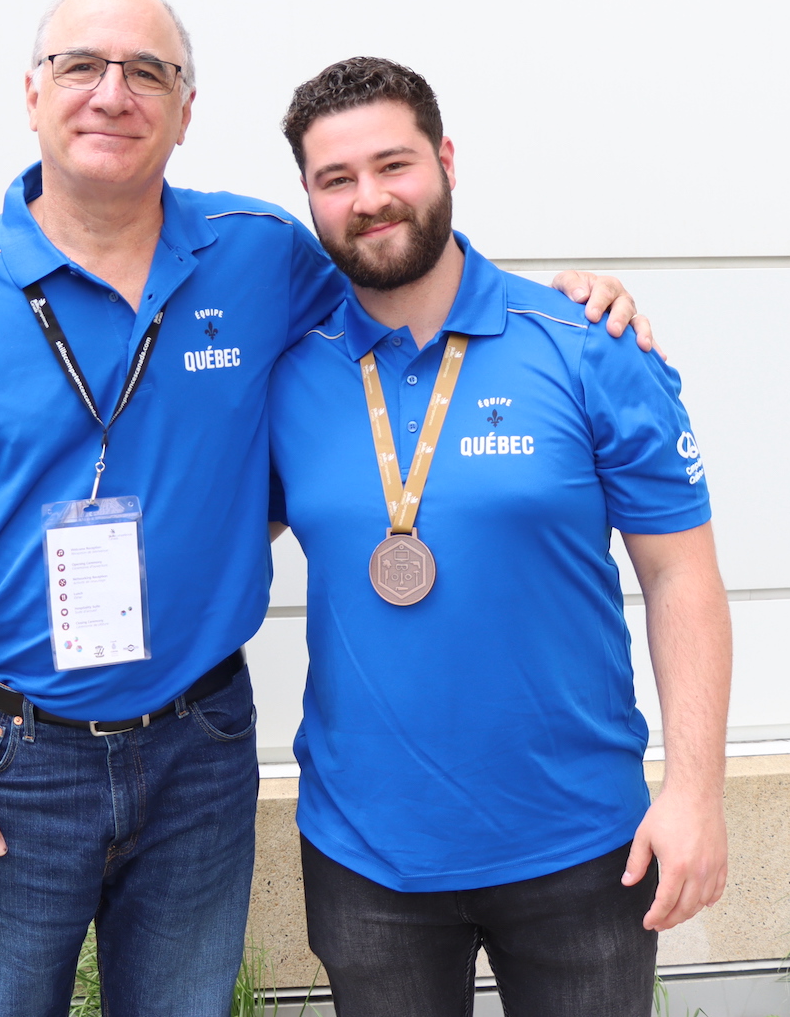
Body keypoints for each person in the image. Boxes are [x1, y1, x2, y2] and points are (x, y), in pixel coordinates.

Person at [0, 0, 657, 1017]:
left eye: (149, 72)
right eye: (82, 66)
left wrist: (566, 300)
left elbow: (399, 274)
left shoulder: (259, 253)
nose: (112, 93)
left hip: (199, 744)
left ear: (185, 112)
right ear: (32, 93)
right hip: (7, 756)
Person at [266, 57, 732, 1017]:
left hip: (582, 844)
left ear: (444, 160)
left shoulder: (588, 341)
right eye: (336, 179)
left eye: (393, 164)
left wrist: (695, 791)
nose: (370, 198)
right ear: (309, 198)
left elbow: (681, 575)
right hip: (368, 854)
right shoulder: (284, 374)